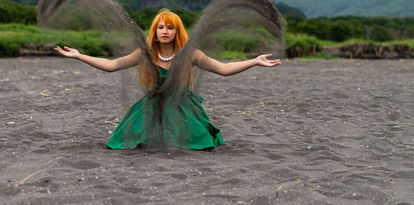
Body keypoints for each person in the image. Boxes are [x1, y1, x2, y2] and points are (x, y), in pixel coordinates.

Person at [55, 9, 281, 150]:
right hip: (151, 106)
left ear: (177, 31)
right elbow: (112, 65)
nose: (165, 31)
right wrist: (79, 55)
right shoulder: (145, 53)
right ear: (154, 31)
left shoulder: (190, 54)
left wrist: (254, 61)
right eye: (160, 27)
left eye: (170, 27)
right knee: (128, 144)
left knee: (196, 144)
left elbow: (223, 68)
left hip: (182, 106)